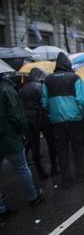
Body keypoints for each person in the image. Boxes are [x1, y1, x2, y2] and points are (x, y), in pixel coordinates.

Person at [0, 74, 46, 222]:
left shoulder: (13, 88)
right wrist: (24, 132)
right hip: (9, 137)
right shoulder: (6, 89)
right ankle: (33, 197)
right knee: (22, 168)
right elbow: (16, 116)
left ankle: (1, 209)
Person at [41, 52, 84, 188]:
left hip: (57, 121)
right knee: (77, 147)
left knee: (62, 150)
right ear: (68, 64)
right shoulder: (75, 78)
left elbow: (44, 101)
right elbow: (82, 99)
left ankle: (66, 180)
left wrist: (51, 112)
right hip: (75, 119)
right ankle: (79, 175)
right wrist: (81, 112)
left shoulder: (48, 80)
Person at [20, 68, 58, 179]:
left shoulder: (22, 89)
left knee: (35, 146)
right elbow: (45, 103)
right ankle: (54, 168)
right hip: (42, 119)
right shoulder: (41, 87)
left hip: (29, 120)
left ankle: (40, 172)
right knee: (51, 144)